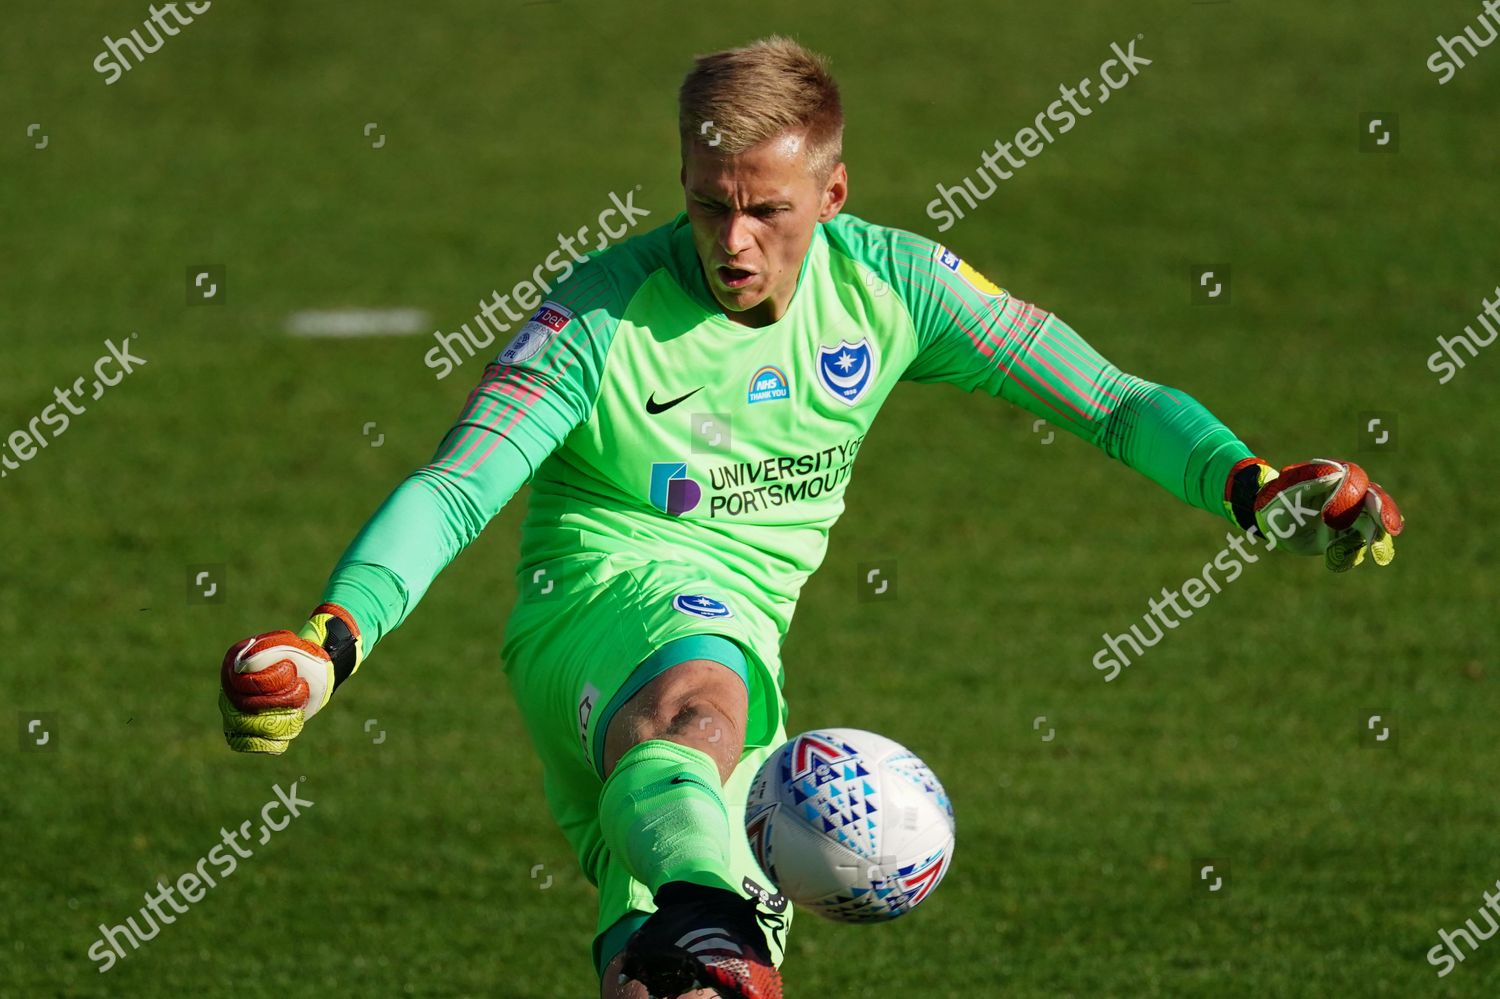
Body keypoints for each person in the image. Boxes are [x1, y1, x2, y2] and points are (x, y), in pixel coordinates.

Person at [216, 35, 1405, 999]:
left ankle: (691, 917)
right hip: (597, 607)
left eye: (767, 211)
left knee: (674, 986)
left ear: (832, 193)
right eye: (707, 205)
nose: (732, 242)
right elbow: (458, 482)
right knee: (700, 700)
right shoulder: (595, 316)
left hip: (730, 665)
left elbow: (1107, 400)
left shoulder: (896, 285)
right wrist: (333, 639)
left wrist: (1244, 483)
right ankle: (708, 903)